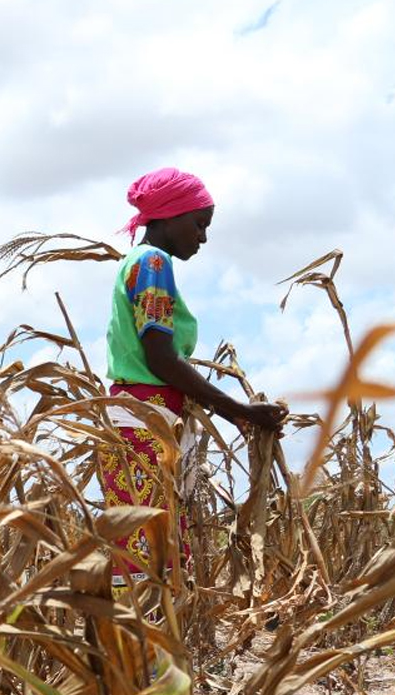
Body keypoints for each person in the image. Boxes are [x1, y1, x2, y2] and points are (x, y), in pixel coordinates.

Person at [99, 168, 287, 595]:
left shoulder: (138, 263)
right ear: (168, 218)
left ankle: (142, 658)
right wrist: (238, 409)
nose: (202, 237)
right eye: (199, 224)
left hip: (140, 419)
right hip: (144, 423)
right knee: (149, 560)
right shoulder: (152, 262)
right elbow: (161, 357)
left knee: (145, 553)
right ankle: (139, 658)